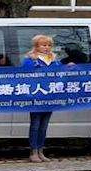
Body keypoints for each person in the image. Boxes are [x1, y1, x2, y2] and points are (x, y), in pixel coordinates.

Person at [23, 34, 63, 163]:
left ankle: (41, 150)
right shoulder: (30, 60)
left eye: (49, 45)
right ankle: (33, 151)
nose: (46, 47)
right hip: (36, 96)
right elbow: (24, 75)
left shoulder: (54, 60)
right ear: (37, 46)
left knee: (44, 125)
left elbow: (61, 74)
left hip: (50, 96)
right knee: (35, 124)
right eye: (43, 45)